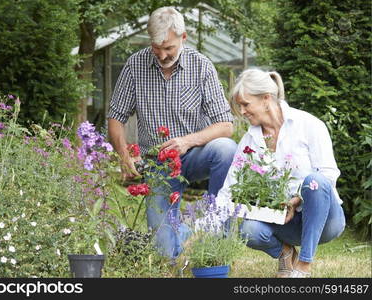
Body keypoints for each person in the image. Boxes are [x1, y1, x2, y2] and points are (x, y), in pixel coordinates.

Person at [107, 6, 237, 258]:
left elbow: (226, 125)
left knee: (226, 149)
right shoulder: (135, 65)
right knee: (164, 252)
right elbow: (116, 116)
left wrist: (187, 141)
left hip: (195, 154)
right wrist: (123, 154)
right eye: (157, 49)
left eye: (169, 48)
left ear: (183, 38)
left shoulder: (202, 66)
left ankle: (217, 230)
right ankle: (185, 231)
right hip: (158, 164)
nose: (162, 55)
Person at [214, 68, 346, 278]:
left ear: (266, 99)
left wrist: (296, 201)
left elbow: (328, 176)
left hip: (325, 221)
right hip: (283, 221)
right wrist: (210, 220)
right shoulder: (249, 140)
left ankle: (304, 266)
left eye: (246, 104)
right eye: (239, 105)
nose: (242, 111)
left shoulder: (309, 125)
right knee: (249, 230)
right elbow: (230, 186)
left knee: (315, 181)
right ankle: (285, 253)